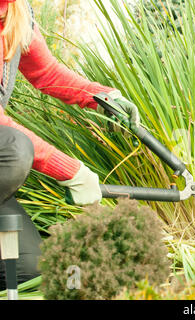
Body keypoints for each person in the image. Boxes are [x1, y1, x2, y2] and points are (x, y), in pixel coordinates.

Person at [0, 0, 140, 290]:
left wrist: (102, 96)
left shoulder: (17, 13)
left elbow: (46, 72)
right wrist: (70, 170)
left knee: (27, 272)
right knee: (15, 150)